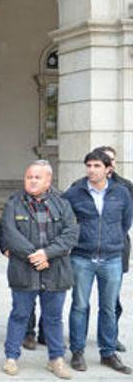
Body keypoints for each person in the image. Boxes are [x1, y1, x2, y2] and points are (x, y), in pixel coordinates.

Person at [0, 160, 77, 379]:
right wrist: (35, 256)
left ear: (48, 180)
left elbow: (71, 234)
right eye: (29, 177)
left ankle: (56, 359)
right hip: (24, 269)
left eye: (37, 177)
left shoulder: (62, 203)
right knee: (19, 314)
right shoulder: (14, 203)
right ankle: (11, 357)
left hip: (55, 269)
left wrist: (47, 254)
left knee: (53, 318)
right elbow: (10, 233)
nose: (32, 181)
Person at [65, 149, 133, 373]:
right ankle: (77, 351)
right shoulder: (75, 192)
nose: (92, 170)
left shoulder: (122, 193)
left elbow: (125, 223)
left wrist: (112, 241)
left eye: (97, 166)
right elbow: (64, 219)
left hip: (111, 258)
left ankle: (108, 352)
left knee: (108, 308)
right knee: (79, 305)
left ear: (108, 169)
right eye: (89, 166)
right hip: (82, 257)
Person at [95, 145, 132, 353]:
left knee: (111, 301)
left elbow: (127, 219)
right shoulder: (81, 185)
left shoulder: (125, 186)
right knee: (80, 302)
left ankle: (111, 337)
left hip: (116, 250)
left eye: (112, 159)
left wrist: (112, 238)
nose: (110, 164)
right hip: (87, 251)